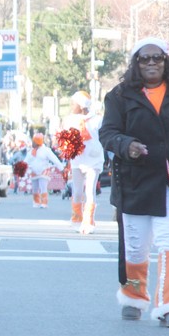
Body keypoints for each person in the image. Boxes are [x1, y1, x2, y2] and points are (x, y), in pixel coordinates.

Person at [99, 37, 169, 328]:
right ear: (135, 64)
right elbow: (107, 133)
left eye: (156, 58)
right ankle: (133, 294)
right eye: (144, 59)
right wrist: (127, 145)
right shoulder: (119, 96)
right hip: (135, 180)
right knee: (136, 247)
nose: (150, 63)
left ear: (165, 62)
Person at [62, 90, 105, 233]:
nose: (71, 105)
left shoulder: (97, 120)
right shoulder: (69, 120)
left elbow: (104, 137)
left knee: (90, 191)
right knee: (77, 191)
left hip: (93, 159)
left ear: (81, 105)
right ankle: (76, 218)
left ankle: (89, 222)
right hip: (77, 159)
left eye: (73, 103)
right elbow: (64, 139)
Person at [24, 132, 64, 208]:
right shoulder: (31, 151)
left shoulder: (46, 150)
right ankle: (36, 202)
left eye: (34, 141)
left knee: (43, 187)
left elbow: (55, 159)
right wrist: (21, 168)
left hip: (44, 171)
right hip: (34, 172)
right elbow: (26, 161)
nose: (33, 143)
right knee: (35, 188)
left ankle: (44, 203)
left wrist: (61, 168)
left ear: (38, 142)